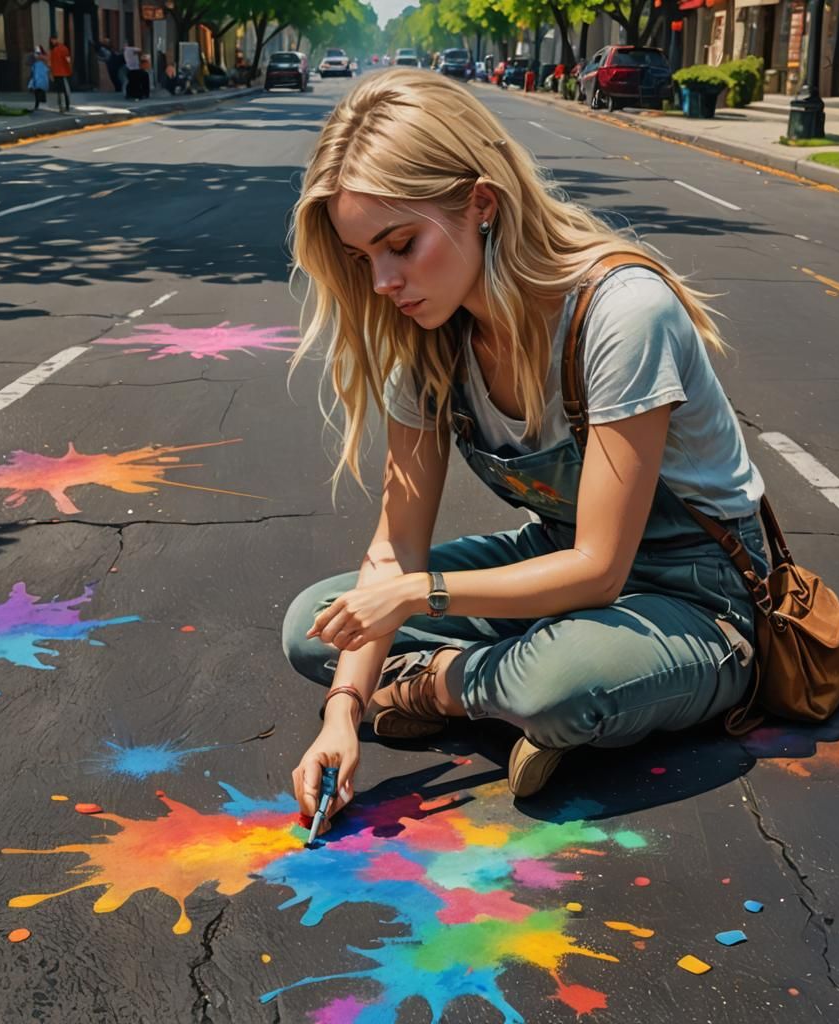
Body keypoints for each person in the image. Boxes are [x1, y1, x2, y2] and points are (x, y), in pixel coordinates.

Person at [281, 69, 768, 826]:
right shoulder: (430, 340)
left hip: (696, 594)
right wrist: (342, 712)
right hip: (556, 566)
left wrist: (413, 603)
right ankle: (498, 689)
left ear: (481, 203)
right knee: (316, 623)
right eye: (361, 258)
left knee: (559, 688)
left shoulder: (621, 312)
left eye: (400, 245)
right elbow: (394, 550)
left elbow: (600, 569)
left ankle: (455, 689)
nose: (382, 281)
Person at [49, 35, 72, 112]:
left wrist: (52, 72)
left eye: (52, 40)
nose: (52, 41)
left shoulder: (55, 50)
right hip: (62, 72)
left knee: (60, 90)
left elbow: (52, 63)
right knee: (64, 90)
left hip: (58, 72)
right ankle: (65, 106)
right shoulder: (63, 49)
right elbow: (68, 60)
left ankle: (62, 106)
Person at [27, 45, 49, 110]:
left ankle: (39, 102)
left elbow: (46, 61)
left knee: (40, 89)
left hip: (41, 74)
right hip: (37, 73)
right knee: (36, 89)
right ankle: (37, 103)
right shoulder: (35, 59)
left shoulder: (43, 57)